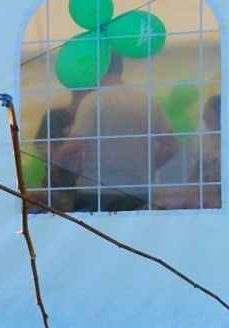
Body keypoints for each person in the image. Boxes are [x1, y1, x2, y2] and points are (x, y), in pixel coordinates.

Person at [62, 53, 177, 212]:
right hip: (137, 192)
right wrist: (144, 168)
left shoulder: (92, 100)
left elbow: (73, 146)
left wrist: (53, 166)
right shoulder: (147, 101)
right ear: (120, 69)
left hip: (95, 191)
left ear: (97, 68)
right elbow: (170, 146)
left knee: (90, 235)